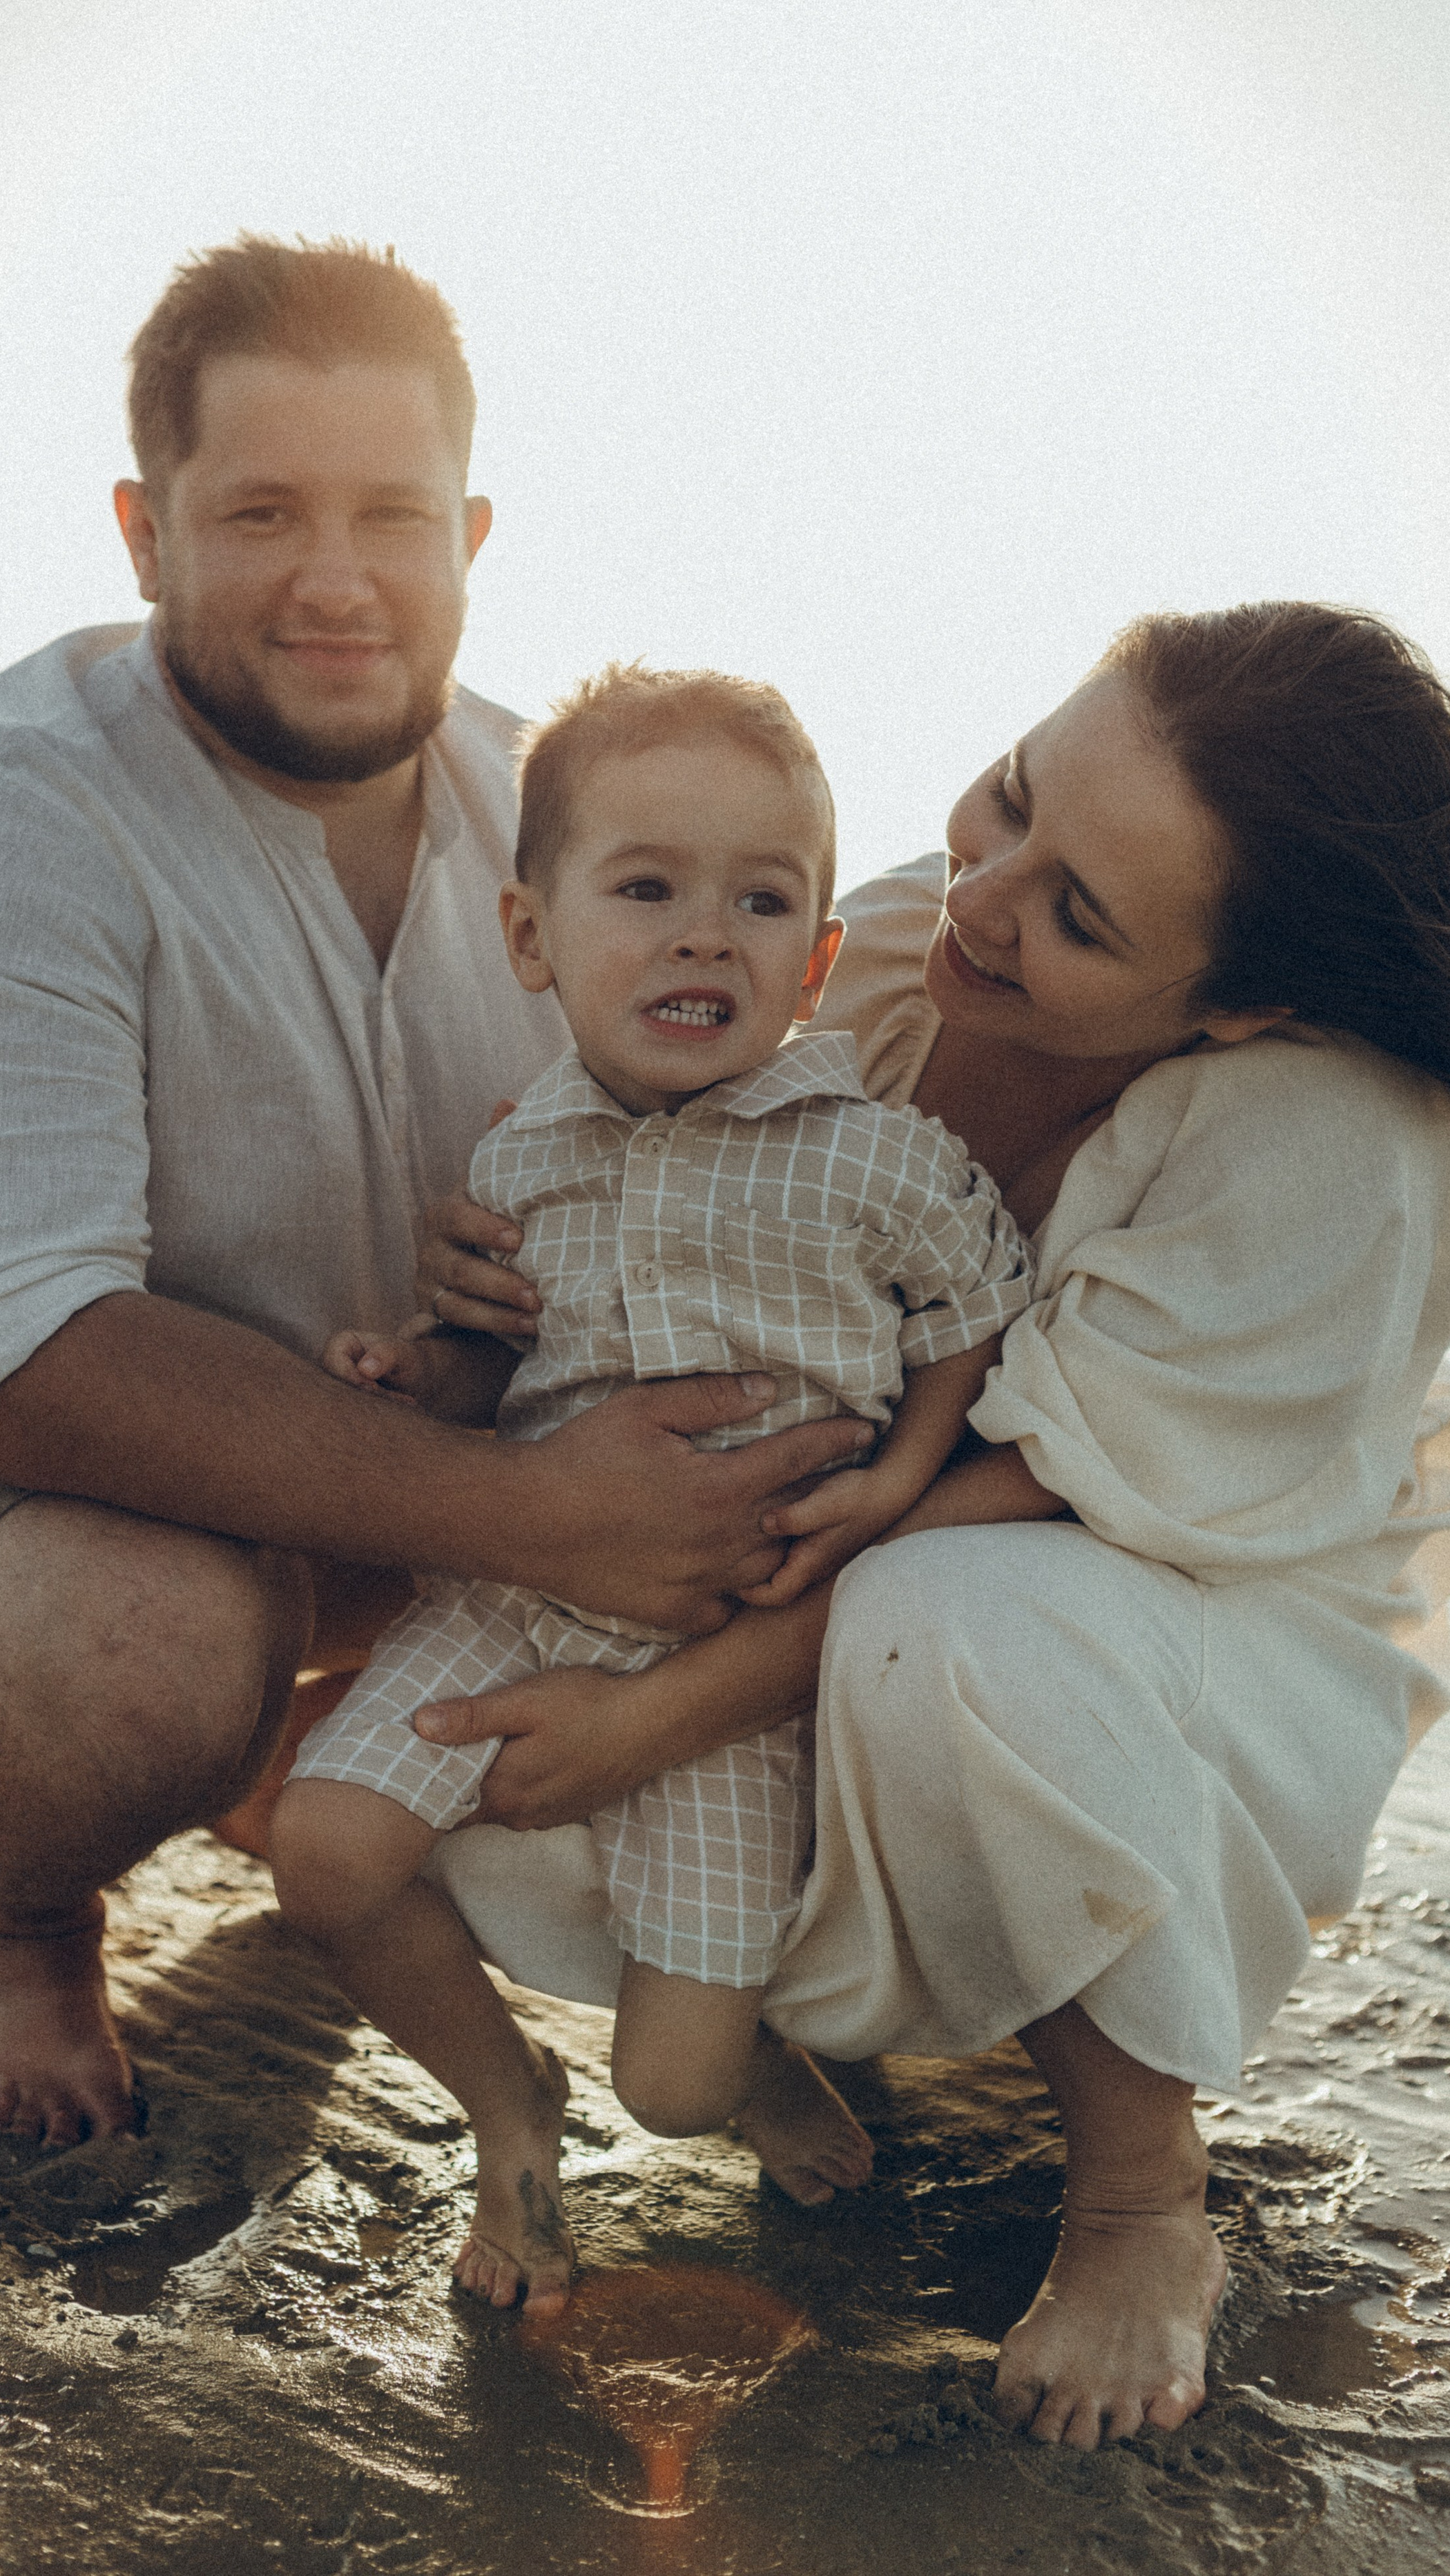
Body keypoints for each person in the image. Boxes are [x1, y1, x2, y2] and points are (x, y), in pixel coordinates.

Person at [0, 238, 869, 2151]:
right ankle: (30, 1912)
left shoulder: (567, 815)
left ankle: (288, 1741)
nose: (337, 580)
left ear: (471, 534)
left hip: (389, 1424)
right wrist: (544, 1518)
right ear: (145, 533)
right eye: (262, 513)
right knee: (145, 1655)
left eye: (390, 514)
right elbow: (22, 1367)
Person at [411, 603, 1450, 2448]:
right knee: (485, 1679)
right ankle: (789, 2028)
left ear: (1242, 1002)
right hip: (867, 1537)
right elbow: (659, 1163)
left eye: (1078, 911)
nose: (984, 894)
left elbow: (1032, 1489)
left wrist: (655, 1715)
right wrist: (507, 1266)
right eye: (1011, 793)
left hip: (1187, 1622)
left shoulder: (1337, 1149)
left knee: (946, 1624)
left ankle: (1142, 2194)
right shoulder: (901, 944)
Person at [270, 663, 1034, 2314]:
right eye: (644, 891)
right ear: (530, 938)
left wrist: (902, 1472)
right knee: (321, 1848)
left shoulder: (869, 1155)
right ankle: (506, 2106)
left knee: (675, 2092)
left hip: (726, 1657)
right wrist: (417, 1375)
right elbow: (499, 1366)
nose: (705, 939)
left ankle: (740, 2068)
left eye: (759, 901)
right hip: (516, 1597)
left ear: (815, 960)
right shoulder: (520, 1152)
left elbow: (976, 1315)